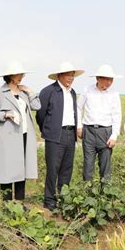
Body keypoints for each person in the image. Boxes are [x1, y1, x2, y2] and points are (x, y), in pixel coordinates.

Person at [0, 61, 41, 203]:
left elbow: (37, 106)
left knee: (21, 169)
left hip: (24, 135)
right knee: (7, 169)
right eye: (19, 74)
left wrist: (30, 91)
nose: (22, 76)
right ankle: (6, 204)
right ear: (11, 76)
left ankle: (19, 202)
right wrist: (5, 115)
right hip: (9, 137)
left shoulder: (23, 92)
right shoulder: (0, 93)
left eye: (22, 74)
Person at [36, 62, 84, 211]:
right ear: (59, 76)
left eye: (72, 75)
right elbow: (40, 115)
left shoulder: (73, 92)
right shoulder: (48, 91)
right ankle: (49, 200)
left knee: (66, 168)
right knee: (53, 168)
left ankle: (63, 197)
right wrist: (49, 129)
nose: (71, 78)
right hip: (54, 135)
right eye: (68, 75)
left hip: (70, 134)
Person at [77, 64, 122, 184]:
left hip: (106, 132)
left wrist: (114, 136)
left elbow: (117, 115)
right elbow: (78, 107)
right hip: (89, 131)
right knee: (88, 164)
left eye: (111, 79)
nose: (108, 82)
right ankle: (87, 194)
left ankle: (105, 196)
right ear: (98, 78)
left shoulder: (114, 93)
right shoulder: (88, 90)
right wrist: (79, 126)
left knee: (105, 166)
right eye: (106, 79)